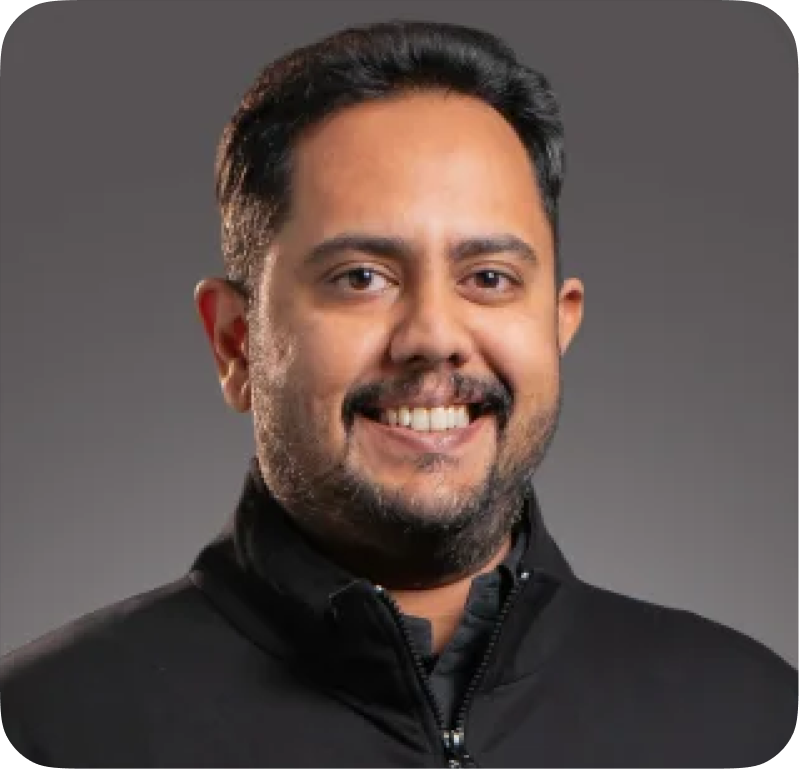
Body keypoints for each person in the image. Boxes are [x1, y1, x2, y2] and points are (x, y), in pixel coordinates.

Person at [0, 19, 795, 769]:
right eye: (361, 277)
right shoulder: (49, 727)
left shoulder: (749, 718)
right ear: (236, 342)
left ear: (558, 325)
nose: (433, 334)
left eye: (488, 277)